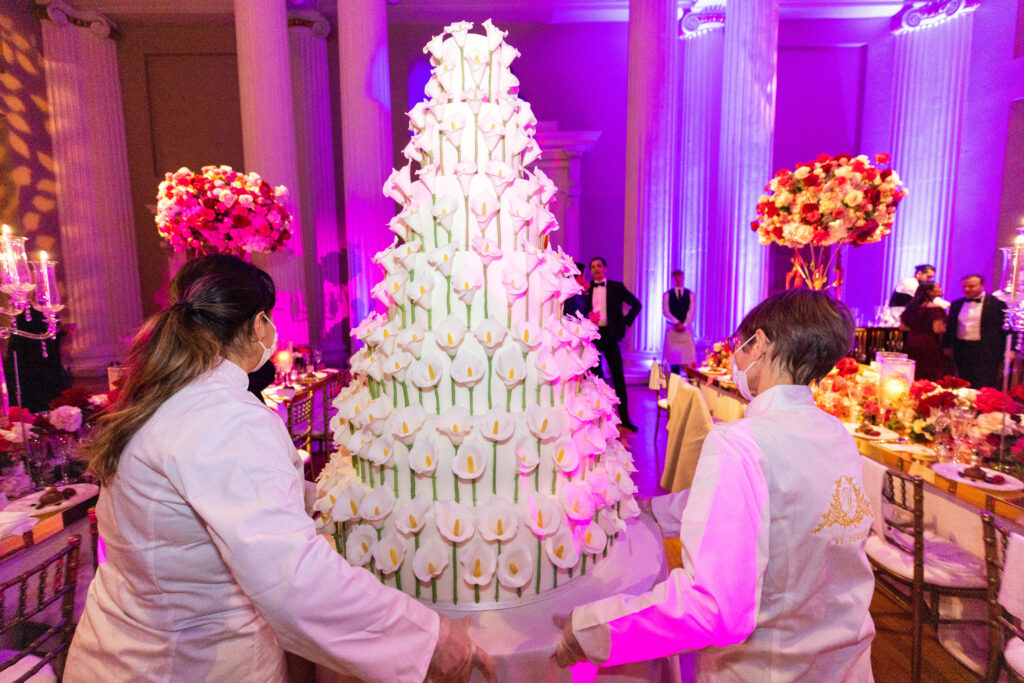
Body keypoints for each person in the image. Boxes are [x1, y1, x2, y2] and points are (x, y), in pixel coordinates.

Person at [66, 255, 491, 682]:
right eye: (270, 320)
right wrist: (427, 638)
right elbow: (293, 582)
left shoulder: (165, 395)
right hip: (183, 662)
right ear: (257, 325)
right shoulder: (225, 418)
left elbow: (212, 502)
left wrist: (340, 501)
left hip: (118, 646)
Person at [554, 289, 875, 681]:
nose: (735, 355)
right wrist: (654, 510)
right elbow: (771, 508)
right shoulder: (835, 432)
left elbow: (715, 608)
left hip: (768, 668)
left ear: (760, 344)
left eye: (738, 344)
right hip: (846, 667)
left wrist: (593, 629)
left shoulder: (740, 443)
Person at [583, 256, 641, 432]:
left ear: (605, 268)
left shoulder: (616, 287)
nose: (596, 269)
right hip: (593, 337)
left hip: (610, 335)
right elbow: (580, 311)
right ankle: (594, 417)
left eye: (599, 266)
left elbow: (636, 305)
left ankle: (625, 419)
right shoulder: (586, 289)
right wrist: (587, 318)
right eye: (593, 267)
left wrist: (625, 321)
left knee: (618, 376)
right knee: (592, 377)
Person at [943, 273, 1010, 389]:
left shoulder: (996, 304)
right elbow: (951, 327)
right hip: (962, 348)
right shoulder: (956, 304)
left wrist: (1010, 349)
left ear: (982, 286)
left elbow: (1007, 327)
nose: (967, 289)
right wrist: (947, 345)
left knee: (984, 382)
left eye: (971, 286)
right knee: (964, 381)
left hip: (986, 350)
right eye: (964, 287)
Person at [899, 282, 949, 381]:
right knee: (930, 372)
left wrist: (918, 328)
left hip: (912, 341)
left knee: (915, 370)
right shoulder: (935, 308)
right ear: (929, 292)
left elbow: (903, 327)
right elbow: (938, 329)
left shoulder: (911, 307)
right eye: (937, 287)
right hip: (928, 342)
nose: (940, 288)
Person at [661, 269, 696, 375]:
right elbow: (666, 311)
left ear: (683, 277)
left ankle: (690, 384)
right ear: (673, 279)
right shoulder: (667, 294)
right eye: (675, 277)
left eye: (679, 276)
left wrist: (684, 325)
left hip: (686, 331)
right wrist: (676, 323)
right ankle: (674, 384)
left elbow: (691, 311)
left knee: (688, 359)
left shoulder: (690, 294)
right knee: (674, 359)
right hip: (673, 330)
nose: (677, 279)